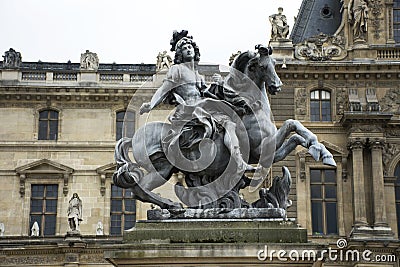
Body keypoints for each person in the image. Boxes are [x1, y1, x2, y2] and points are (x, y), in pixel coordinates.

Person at [140, 35, 256, 172]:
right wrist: (151, 104)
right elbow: (164, 89)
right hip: (189, 109)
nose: (188, 50)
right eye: (184, 48)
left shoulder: (197, 75)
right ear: (180, 54)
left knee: (230, 122)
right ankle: (239, 162)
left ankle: (235, 159)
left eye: (190, 47)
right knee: (228, 122)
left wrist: (219, 83)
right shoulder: (176, 69)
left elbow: (208, 93)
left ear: (195, 51)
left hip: (202, 106)